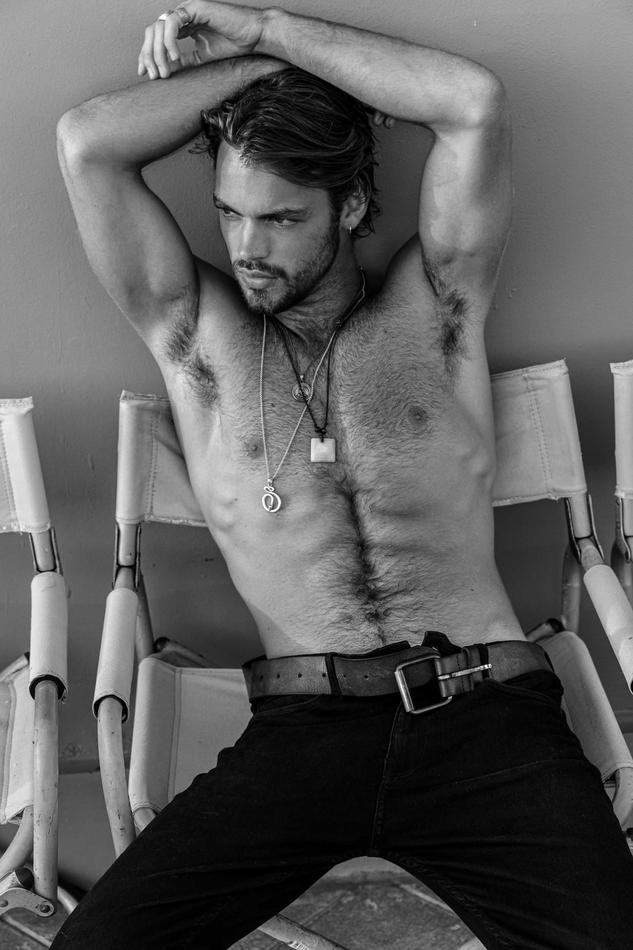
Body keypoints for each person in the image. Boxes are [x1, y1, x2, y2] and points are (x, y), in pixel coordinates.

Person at [54, 3, 633, 947]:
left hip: (486, 717)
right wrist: (257, 74)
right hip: (301, 730)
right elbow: (88, 145)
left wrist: (267, 29)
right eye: (230, 212)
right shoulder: (197, 338)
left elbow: (472, 102)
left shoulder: (435, 306)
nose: (247, 247)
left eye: (282, 218)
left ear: (352, 206)